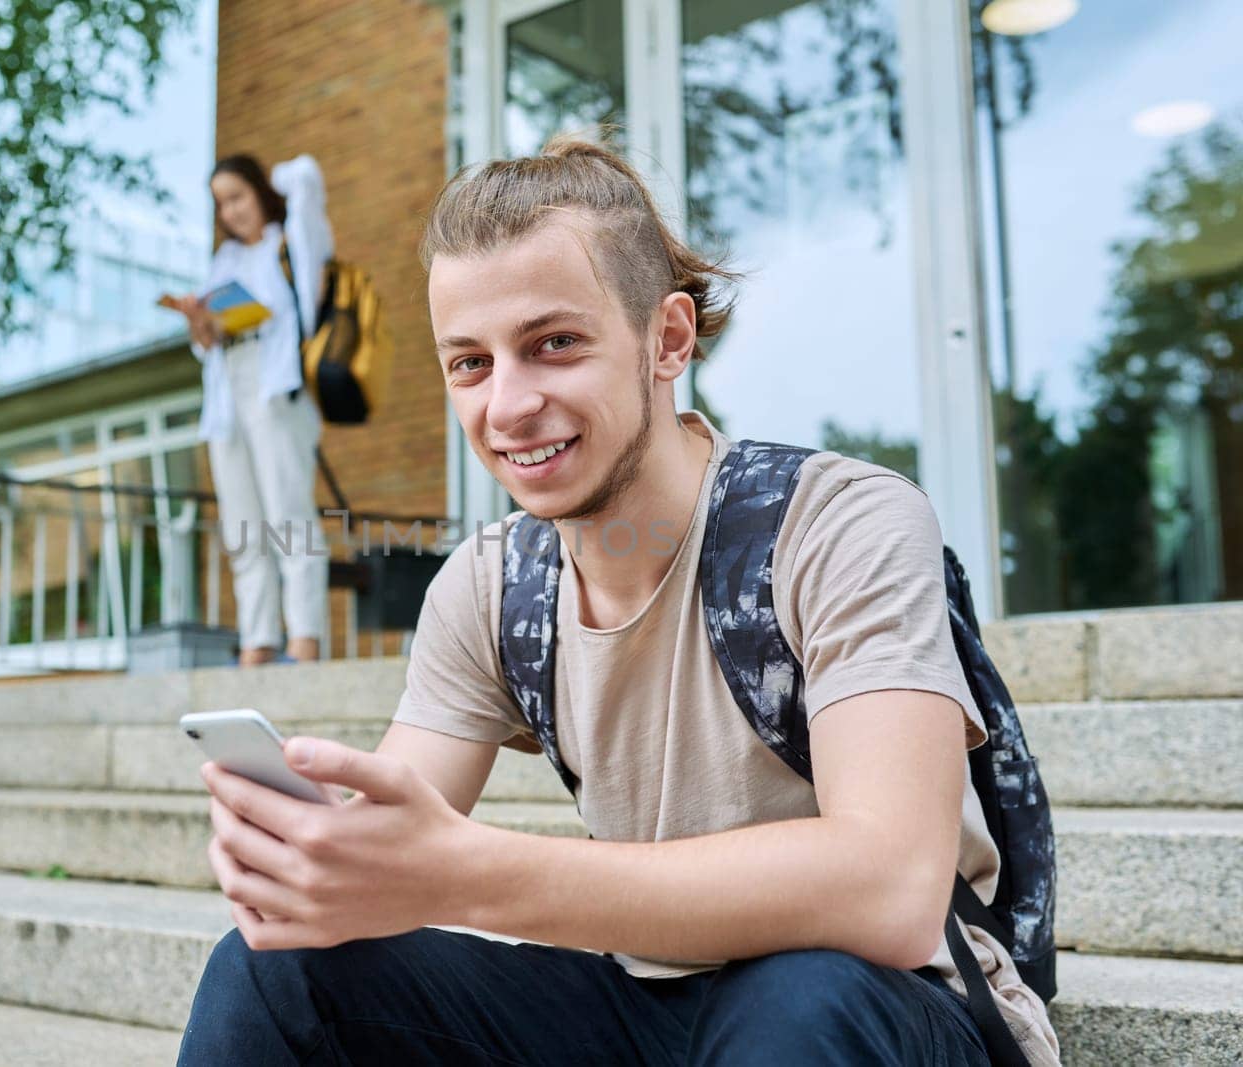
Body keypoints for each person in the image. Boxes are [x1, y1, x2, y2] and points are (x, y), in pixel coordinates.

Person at [175, 137, 1062, 1065]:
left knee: (803, 997)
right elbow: (403, 829)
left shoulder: (840, 520)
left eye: (553, 344)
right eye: (469, 363)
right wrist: (315, 859)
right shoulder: (488, 584)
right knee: (275, 974)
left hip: (879, 1002)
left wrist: (470, 873)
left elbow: (888, 889)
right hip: (639, 1002)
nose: (508, 404)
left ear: (667, 340)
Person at [167, 154, 331, 667]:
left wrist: (274, 186)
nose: (231, 211)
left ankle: (304, 639)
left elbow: (304, 175)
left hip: (275, 385)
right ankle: (256, 640)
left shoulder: (292, 242)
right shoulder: (225, 262)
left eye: (237, 196)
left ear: (260, 191)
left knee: (289, 516)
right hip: (227, 392)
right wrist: (200, 322)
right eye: (221, 203)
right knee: (242, 523)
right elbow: (208, 345)